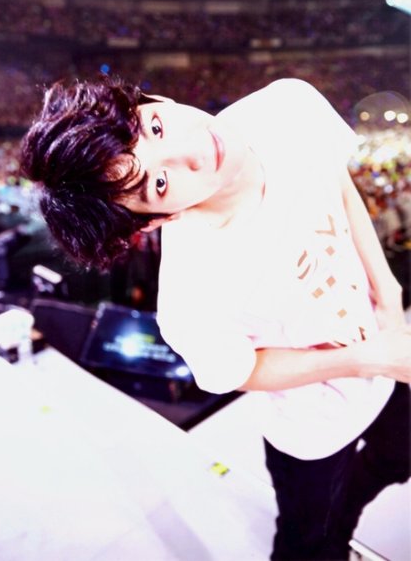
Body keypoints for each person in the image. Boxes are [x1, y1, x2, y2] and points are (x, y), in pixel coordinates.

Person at [21, 74, 411, 560]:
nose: (195, 151)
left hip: (384, 354)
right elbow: (241, 369)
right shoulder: (192, 294)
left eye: (156, 127)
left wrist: (388, 293)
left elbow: (335, 181)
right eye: (160, 183)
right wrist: (365, 359)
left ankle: (344, 512)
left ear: (158, 99)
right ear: (159, 219)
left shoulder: (286, 108)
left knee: (400, 456)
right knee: (306, 544)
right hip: (313, 420)